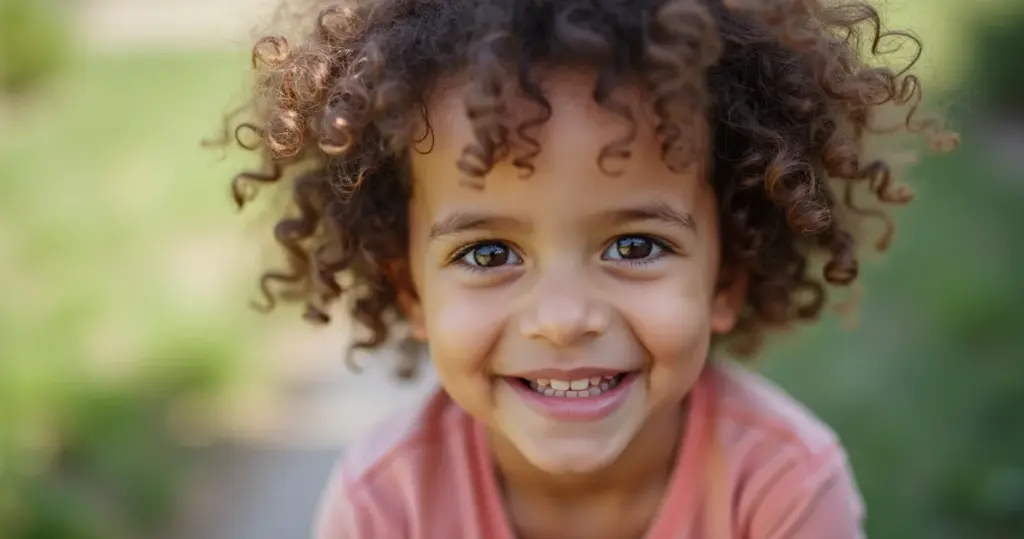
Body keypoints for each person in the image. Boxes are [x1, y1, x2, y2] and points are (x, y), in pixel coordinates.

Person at [213, 0, 957, 537]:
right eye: (488, 253)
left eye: (634, 246)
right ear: (411, 290)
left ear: (724, 277)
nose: (565, 319)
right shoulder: (386, 506)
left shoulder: (781, 488)